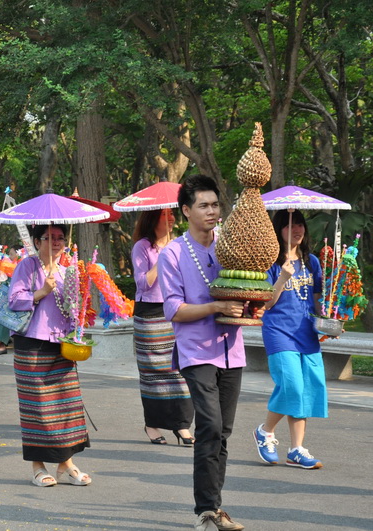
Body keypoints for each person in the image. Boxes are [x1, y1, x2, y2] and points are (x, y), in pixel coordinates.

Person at [158, 175, 251, 531]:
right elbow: (174, 310)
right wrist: (216, 306)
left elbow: (251, 290)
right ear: (186, 211)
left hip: (233, 350)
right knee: (210, 425)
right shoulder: (174, 254)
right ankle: (206, 509)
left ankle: (216, 507)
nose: (213, 211)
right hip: (195, 351)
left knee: (222, 432)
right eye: (204, 205)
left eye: (216, 205)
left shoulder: (232, 244)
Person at [8, 224, 91, 488]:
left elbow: (73, 311)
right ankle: (37, 466)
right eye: (49, 238)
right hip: (31, 345)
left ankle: (66, 464)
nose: (56, 242)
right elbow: (14, 299)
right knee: (39, 410)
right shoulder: (27, 266)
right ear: (36, 241)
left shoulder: (69, 270)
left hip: (62, 346)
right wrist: (42, 291)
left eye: (60, 238)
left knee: (67, 407)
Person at [253, 209, 326, 470]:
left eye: (300, 225)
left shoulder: (312, 261)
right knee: (292, 386)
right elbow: (267, 304)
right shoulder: (269, 263)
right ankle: (266, 430)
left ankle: (296, 449)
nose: (297, 230)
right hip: (279, 333)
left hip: (307, 334)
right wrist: (282, 277)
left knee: (306, 390)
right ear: (279, 230)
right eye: (290, 226)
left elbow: (317, 301)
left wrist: (328, 320)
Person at [131, 208, 195, 446]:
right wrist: (162, 259)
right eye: (164, 215)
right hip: (149, 314)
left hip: (176, 310)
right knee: (153, 374)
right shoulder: (142, 247)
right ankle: (152, 424)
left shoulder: (180, 244)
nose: (171, 219)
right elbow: (142, 283)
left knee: (179, 370)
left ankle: (182, 425)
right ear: (152, 218)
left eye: (172, 215)